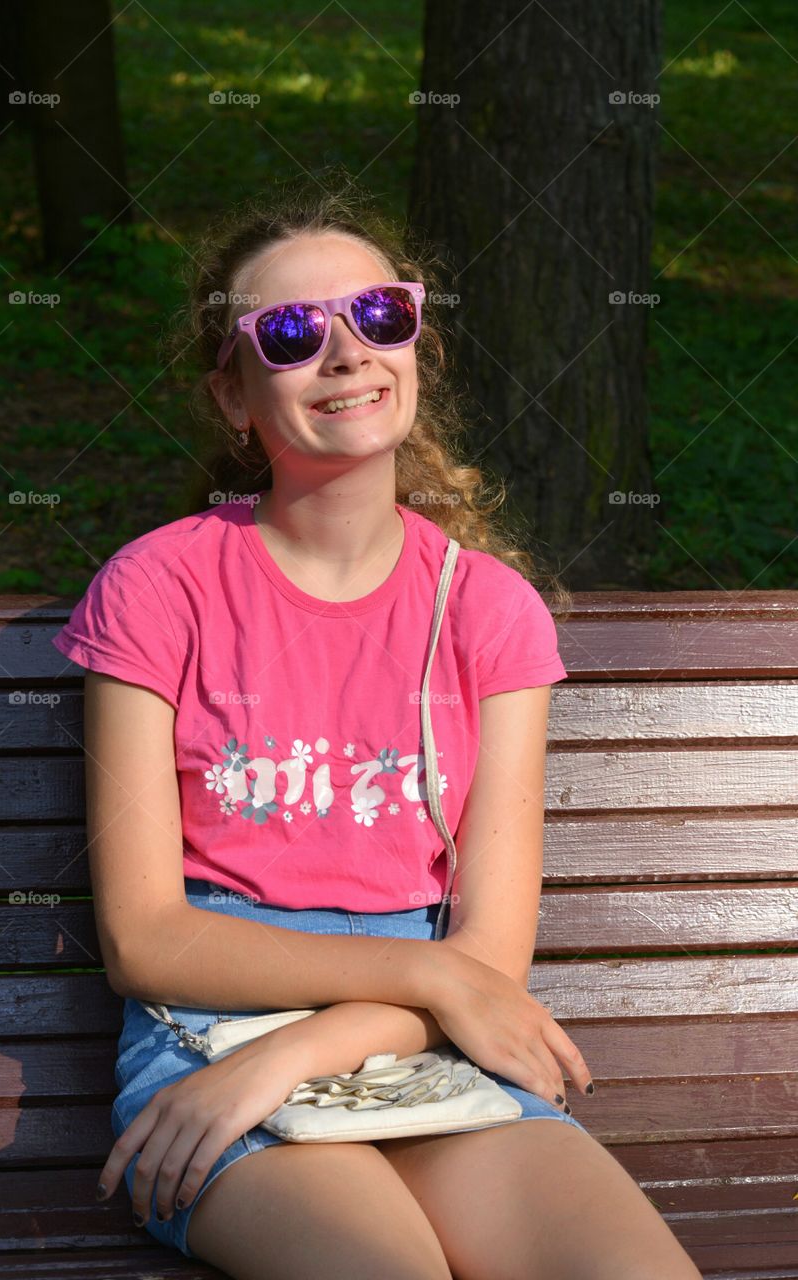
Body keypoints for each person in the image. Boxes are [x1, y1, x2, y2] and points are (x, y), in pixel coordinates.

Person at [51, 175, 703, 1279]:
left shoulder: (487, 610)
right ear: (232, 394)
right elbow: (146, 936)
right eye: (294, 331)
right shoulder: (158, 587)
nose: (346, 352)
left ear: (417, 349)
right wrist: (416, 987)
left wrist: (331, 1035)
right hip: (209, 1033)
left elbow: (485, 958)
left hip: (421, 1038)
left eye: (379, 315)